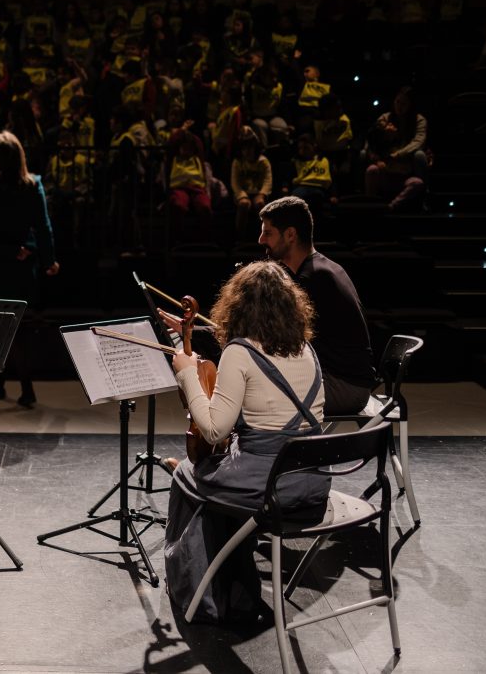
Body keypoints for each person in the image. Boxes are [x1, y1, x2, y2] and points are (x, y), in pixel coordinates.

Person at [161, 260, 326, 623]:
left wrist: (188, 373)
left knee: (189, 472)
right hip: (312, 485)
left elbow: (215, 430)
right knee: (214, 472)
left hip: (269, 488)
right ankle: (235, 586)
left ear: (236, 305)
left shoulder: (239, 351)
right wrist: (186, 339)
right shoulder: (307, 350)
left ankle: (202, 591)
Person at [257, 196, 376, 414]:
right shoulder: (320, 269)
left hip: (344, 387)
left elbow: (279, 336)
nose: (261, 240)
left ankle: (263, 449)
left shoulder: (316, 278)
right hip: (342, 381)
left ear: (290, 234)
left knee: (257, 394)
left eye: (268, 233)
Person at [0, 131, 60, 407]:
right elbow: (43, 226)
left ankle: (5, 382)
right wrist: (48, 261)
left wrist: (9, 250)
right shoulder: (33, 185)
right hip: (22, 264)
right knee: (18, 329)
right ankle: (23, 387)